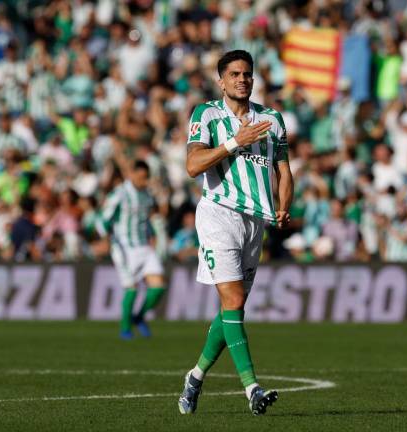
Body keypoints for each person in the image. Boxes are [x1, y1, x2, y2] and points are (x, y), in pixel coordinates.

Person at [179, 50, 294, 416]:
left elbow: (284, 169)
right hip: (218, 216)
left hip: (254, 222)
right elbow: (193, 165)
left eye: (247, 74)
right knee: (232, 299)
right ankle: (252, 389)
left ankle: (195, 378)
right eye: (234, 74)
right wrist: (233, 143)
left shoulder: (272, 119)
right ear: (221, 80)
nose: (242, 79)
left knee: (235, 306)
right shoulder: (207, 114)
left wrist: (283, 204)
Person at [96, 152, 166, 340]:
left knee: (158, 287)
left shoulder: (146, 195)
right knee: (132, 288)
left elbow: (147, 219)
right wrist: (106, 238)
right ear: (132, 174)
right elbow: (102, 219)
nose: (145, 181)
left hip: (144, 245)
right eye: (142, 177)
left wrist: (152, 234)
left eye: (146, 177)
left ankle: (139, 317)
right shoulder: (120, 194)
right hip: (124, 247)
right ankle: (125, 328)